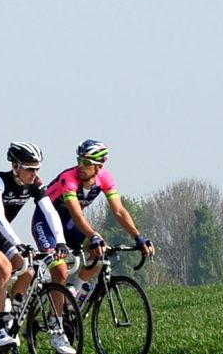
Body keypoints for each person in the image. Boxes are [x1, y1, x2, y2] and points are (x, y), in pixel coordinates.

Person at [0, 143, 67, 354]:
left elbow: (50, 212)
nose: (34, 173)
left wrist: (60, 241)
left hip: (1, 236)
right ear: (15, 165)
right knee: (3, 269)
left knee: (27, 272)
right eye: (30, 168)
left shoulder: (34, 184)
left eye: (37, 168)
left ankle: (8, 314)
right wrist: (18, 242)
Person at [42, 141, 154, 333]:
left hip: (70, 225)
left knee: (99, 254)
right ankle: (55, 320)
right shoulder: (68, 178)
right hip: (46, 224)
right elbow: (77, 215)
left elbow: (118, 211)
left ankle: (73, 289)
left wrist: (139, 237)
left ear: (99, 166)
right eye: (79, 161)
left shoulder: (106, 178)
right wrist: (93, 235)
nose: (80, 166)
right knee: (60, 271)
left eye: (86, 162)